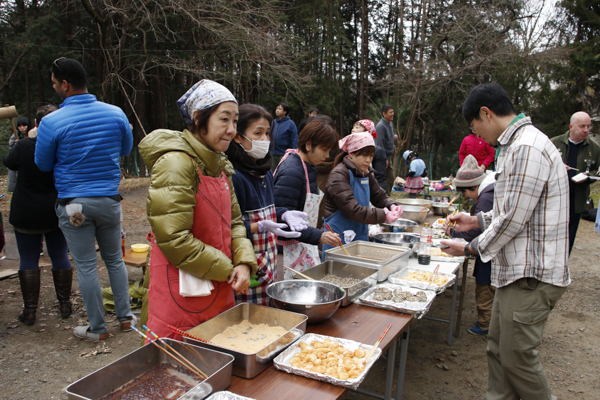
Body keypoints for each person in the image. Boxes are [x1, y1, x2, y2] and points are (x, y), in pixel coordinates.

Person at [441, 82, 570, 400]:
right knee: (499, 350)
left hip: (532, 276)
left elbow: (512, 220)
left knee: (517, 359)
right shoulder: (515, 147)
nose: (478, 137)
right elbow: (513, 211)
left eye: (475, 127)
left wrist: (471, 247)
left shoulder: (526, 147)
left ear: (486, 114)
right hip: (515, 272)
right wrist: (476, 220)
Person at [138, 80, 258, 340]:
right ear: (197, 117)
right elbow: (174, 238)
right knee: (177, 368)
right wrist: (228, 269)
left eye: (235, 121)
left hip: (218, 280)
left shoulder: (219, 164)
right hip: (180, 288)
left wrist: (244, 262)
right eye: (224, 120)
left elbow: (235, 222)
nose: (231, 130)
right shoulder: (176, 163)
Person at [35, 57, 135, 340]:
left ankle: (99, 328)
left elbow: (42, 164)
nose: (55, 88)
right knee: (115, 260)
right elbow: (125, 148)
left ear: (65, 85)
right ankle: (126, 319)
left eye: (55, 84)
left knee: (87, 265)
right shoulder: (115, 113)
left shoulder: (51, 122)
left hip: (74, 204)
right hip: (109, 200)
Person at [225, 104, 308, 305]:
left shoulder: (264, 172)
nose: (265, 140)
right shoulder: (234, 176)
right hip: (245, 266)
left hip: (267, 263)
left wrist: (283, 214)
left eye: (267, 133)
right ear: (238, 136)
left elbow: (267, 212)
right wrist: (258, 226)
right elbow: (227, 228)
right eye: (258, 133)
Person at [3, 105, 73, 326]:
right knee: (59, 254)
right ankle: (65, 305)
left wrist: (25, 142)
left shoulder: (24, 145)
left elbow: (8, 161)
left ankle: (30, 311)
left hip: (27, 211)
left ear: (35, 124)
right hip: (54, 210)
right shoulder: (64, 147)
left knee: (28, 258)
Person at [274, 118, 340, 278]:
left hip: (302, 243)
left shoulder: (307, 166)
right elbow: (281, 221)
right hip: (286, 251)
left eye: (329, 150)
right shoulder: (292, 172)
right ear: (309, 144)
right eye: (324, 149)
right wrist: (318, 235)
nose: (327, 155)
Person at [323, 131, 402, 256]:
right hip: (338, 237)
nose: (368, 160)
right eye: (364, 155)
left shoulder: (366, 173)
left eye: (371, 156)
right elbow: (352, 209)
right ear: (352, 153)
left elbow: (379, 195)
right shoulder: (339, 175)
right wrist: (383, 215)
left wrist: (391, 205)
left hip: (359, 234)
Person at [445, 155, 495, 336]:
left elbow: (477, 231)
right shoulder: (488, 192)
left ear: (474, 186)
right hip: (490, 254)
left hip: (490, 256)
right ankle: (489, 321)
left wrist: (453, 234)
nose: (466, 197)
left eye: (466, 192)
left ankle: (486, 325)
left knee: (486, 289)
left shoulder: (485, 198)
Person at [551, 111, 600, 255]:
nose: (586, 130)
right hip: (555, 196)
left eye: (588, 126)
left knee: (569, 234)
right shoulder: (554, 143)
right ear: (571, 127)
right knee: (552, 231)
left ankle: (563, 265)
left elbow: (598, 170)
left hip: (577, 197)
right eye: (582, 126)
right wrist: (557, 167)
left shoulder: (594, 148)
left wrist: (588, 176)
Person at [353, 119, 387, 189]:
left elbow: (380, 178)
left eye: (357, 128)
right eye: (353, 128)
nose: (353, 130)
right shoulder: (349, 148)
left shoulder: (378, 151)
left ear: (367, 132)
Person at [270, 102, 298, 171]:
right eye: (277, 108)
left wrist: (292, 152)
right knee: (271, 172)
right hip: (272, 153)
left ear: (285, 111)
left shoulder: (290, 123)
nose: (277, 110)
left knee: (282, 171)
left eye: (280, 109)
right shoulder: (273, 122)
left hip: (284, 153)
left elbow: (294, 138)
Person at [7, 117, 32, 192]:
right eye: (20, 126)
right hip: (18, 160)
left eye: (24, 126)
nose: (22, 128)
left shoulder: (31, 134)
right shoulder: (16, 134)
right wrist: (16, 144)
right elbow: (11, 146)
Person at [375, 104, 395, 193]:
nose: (392, 114)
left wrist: (394, 136)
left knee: (390, 179)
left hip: (389, 156)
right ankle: (383, 199)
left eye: (393, 112)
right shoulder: (380, 126)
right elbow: (379, 143)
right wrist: (384, 158)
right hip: (383, 157)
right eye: (390, 112)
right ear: (384, 114)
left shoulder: (390, 123)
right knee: (384, 179)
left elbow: (389, 135)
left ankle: (387, 198)